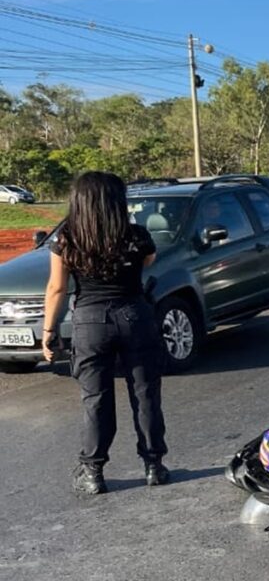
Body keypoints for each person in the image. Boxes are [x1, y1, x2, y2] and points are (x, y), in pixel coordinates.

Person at [43, 172, 169, 495]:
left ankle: (92, 471)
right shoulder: (136, 236)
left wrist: (48, 331)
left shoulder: (66, 238)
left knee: (95, 398)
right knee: (145, 393)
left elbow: (57, 287)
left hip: (89, 321)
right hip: (134, 316)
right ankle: (153, 464)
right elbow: (150, 261)